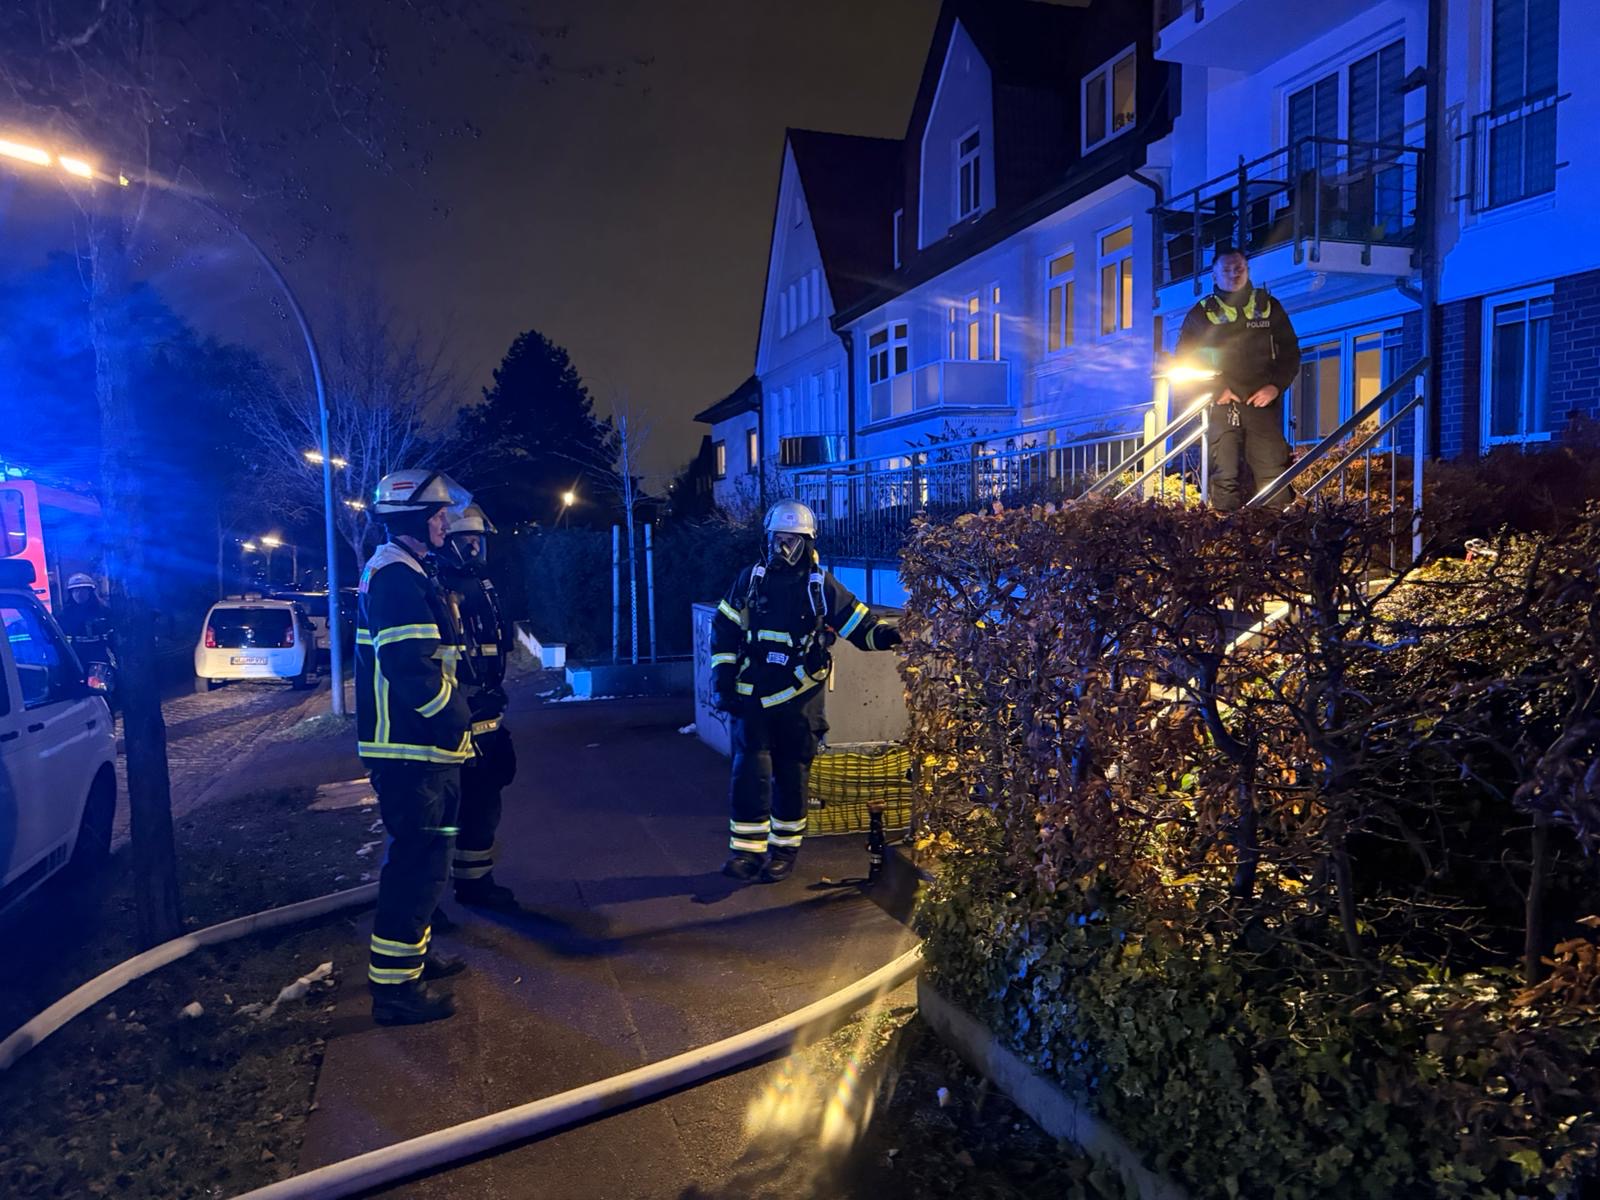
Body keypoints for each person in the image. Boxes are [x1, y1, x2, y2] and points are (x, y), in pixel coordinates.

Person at [709, 500, 903, 884]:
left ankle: (784, 851)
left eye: (792, 540)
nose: (784, 547)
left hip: (800, 700)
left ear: (808, 542)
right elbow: (725, 630)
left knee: (792, 774)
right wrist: (722, 679)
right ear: (767, 538)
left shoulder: (820, 586)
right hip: (753, 696)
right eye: (778, 538)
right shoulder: (750, 580)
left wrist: (890, 635)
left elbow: (858, 625)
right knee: (750, 772)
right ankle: (746, 854)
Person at [356, 468, 475, 1026]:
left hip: (423, 751)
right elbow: (411, 668)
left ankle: (412, 963)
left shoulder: (408, 572)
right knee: (414, 865)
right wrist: (455, 720)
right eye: (437, 514)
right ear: (411, 518)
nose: (445, 522)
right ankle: (395, 992)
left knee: (430, 862)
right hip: (412, 751)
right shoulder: (397, 579)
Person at [436, 501, 519, 911]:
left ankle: (476, 882)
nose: (475, 547)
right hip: (459, 712)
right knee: (444, 813)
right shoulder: (439, 583)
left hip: (486, 708)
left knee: (484, 801)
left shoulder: (480, 581)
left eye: (478, 540)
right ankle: (429, 902)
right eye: (467, 539)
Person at [1174, 245, 1301, 510]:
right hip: (1222, 405)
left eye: (1239, 269)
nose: (1234, 275)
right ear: (1214, 275)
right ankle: (1227, 539)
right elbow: (1185, 361)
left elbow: (1290, 353)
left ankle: (1277, 539)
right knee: (1224, 473)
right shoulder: (1202, 313)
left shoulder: (1268, 306)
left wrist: (1275, 387)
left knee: (1272, 473)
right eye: (1227, 270)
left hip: (1262, 403)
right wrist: (1215, 390)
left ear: (1247, 271)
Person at [57, 573, 114, 667]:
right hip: (76, 656)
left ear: (90, 592)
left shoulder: (103, 611)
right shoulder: (64, 614)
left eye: (83, 590)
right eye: (75, 590)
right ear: (71, 593)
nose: (79, 594)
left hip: (99, 654)